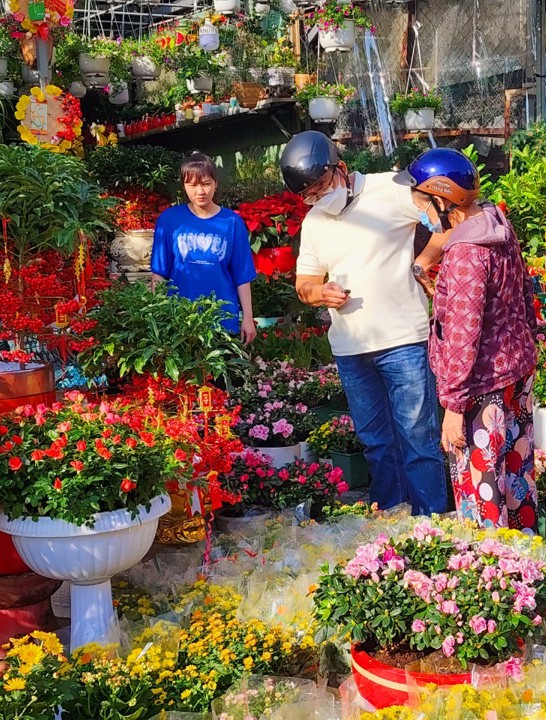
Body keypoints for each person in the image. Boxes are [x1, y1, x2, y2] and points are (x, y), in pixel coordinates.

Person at [281, 130, 448, 516]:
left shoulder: (388, 188)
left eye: (321, 187)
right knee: (375, 441)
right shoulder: (314, 222)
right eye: (307, 195)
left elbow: (447, 221)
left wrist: (422, 261)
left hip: (404, 340)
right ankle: (391, 521)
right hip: (351, 349)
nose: (317, 198)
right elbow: (303, 284)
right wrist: (320, 292)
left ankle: (433, 526)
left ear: (339, 168)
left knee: (418, 438)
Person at [394, 148, 538, 532]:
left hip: (481, 388)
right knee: (516, 480)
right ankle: (530, 571)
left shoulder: (465, 253)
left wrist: (454, 406)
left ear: (443, 199)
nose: (420, 211)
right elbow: (524, 300)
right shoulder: (497, 227)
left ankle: (496, 577)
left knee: (482, 492)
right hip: (515, 373)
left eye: (422, 201)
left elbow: (462, 335)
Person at [151, 152, 257, 345]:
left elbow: (242, 276)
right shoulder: (170, 220)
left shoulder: (232, 222)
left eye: (206, 183)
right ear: (184, 186)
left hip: (222, 323)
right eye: (192, 185)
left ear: (216, 183)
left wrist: (248, 318)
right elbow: (159, 274)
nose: (200, 191)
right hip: (179, 323)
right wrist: (157, 315)